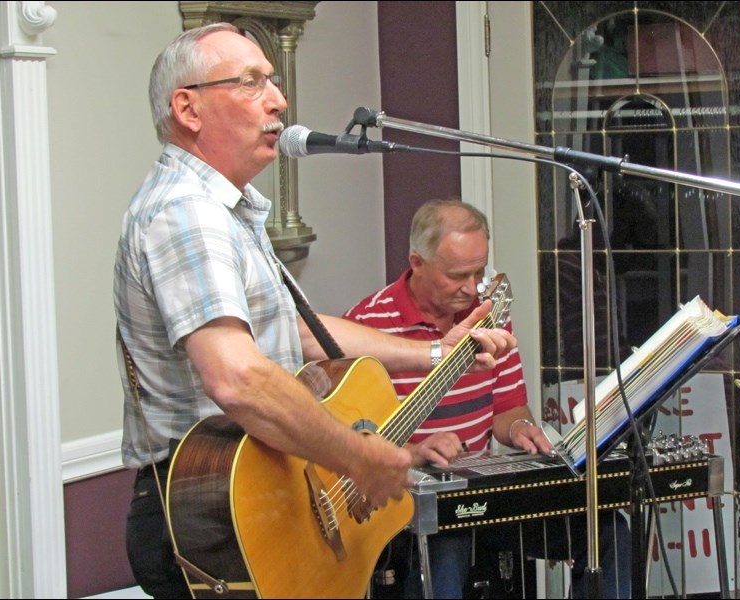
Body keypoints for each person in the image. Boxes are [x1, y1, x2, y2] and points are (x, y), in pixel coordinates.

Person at [113, 24, 515, 599]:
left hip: (262, 495)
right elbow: (238, 378)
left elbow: (294, 331)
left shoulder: (226, 212)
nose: (278, 100)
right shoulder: (186, 213)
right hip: (216, 509)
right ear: (188, 108)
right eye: (250, 82)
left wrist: (436, 352)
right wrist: (360, 456)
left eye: (273, 81)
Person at [344, 198, 632, 599]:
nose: (472, 287)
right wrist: (416, 449)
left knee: (608, 531)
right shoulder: (367, 326)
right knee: (447, 544)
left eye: (480, 271)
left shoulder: (489, 317)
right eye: (458, 274)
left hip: (482, 495)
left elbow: (507, 408)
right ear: (417, 262)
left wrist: (520, 428)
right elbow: (351, 440)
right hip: (409, 507)